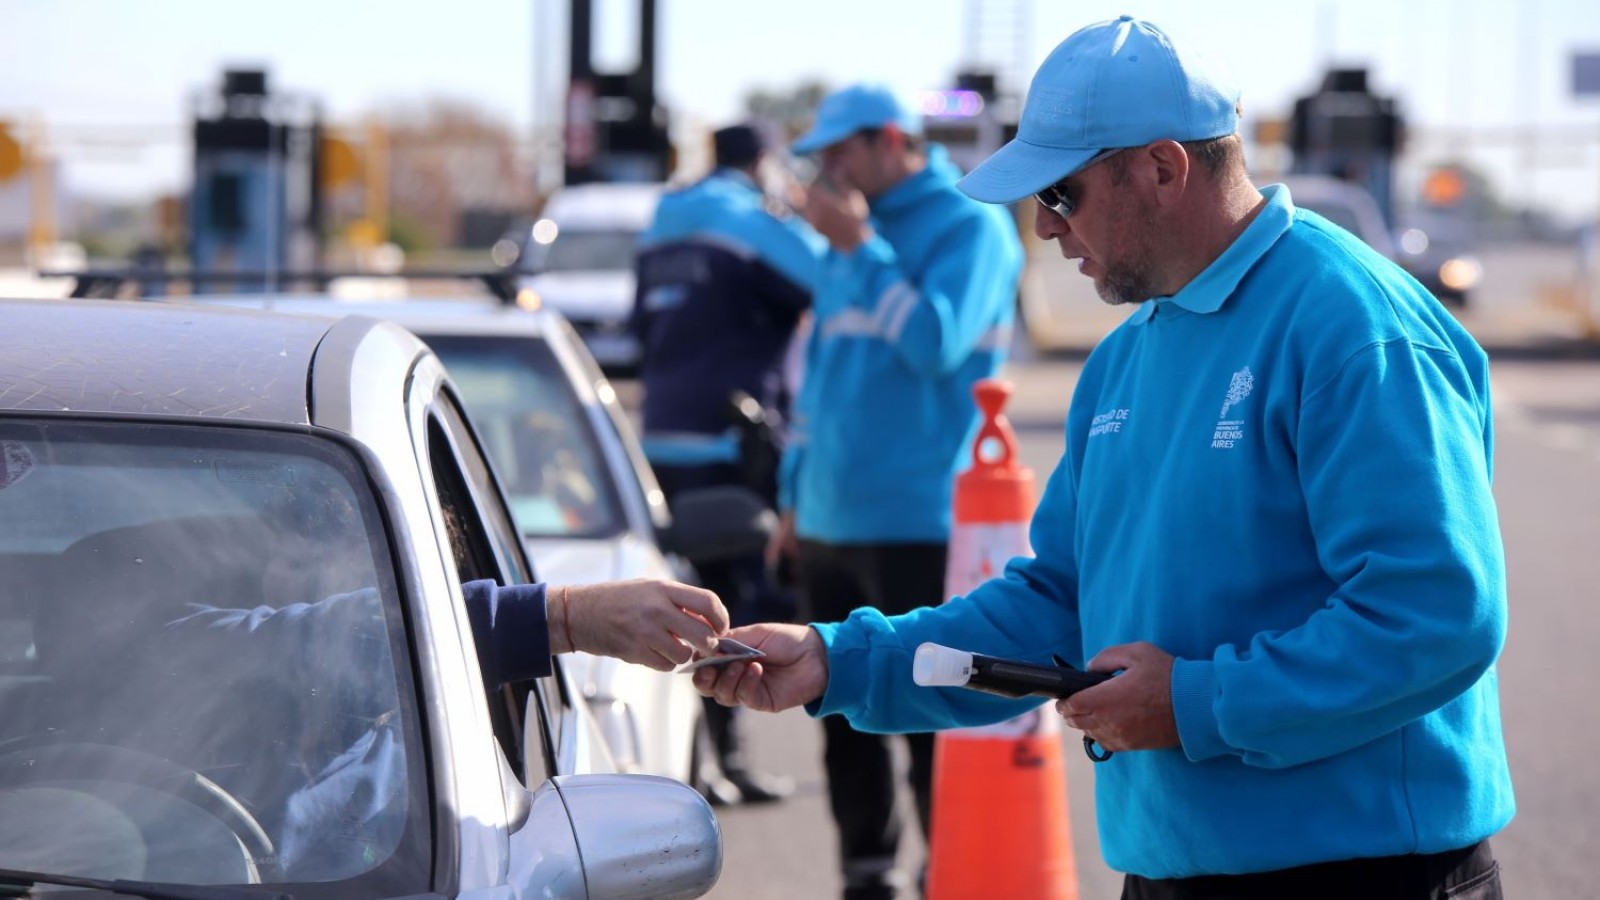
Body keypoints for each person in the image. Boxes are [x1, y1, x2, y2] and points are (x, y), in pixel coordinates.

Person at [698, 17, 1511, 900]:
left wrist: (1194, 703)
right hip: (1165, 869)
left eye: (1061, 194)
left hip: (1367, 873)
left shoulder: (1353, 325)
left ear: (1164, 167)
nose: (1043, 229)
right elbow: (1059, 600)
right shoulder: (1127, 357)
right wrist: (839, 661)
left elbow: (1434, 612)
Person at [770, 84, 1024, 899]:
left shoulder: (969, 225)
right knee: (841, 715)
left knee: (931, 721)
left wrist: (863, 249)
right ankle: (867, 877)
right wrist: (791, 498)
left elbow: (933, 343)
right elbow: (820, 386)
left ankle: (949, 875)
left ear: (890, 141)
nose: (828, 169)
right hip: (831, 519)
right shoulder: (848, 242)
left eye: (841, 150)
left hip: (922, 518)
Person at [631, 122, 823, 805]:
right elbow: (830, 275)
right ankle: (724, 761)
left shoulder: (662, 221)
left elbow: (642, 328)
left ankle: (701, 760)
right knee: (728, 608)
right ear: (763, 163)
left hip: (661, 437)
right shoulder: (748, 220)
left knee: (686, 600)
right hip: (730, 442)